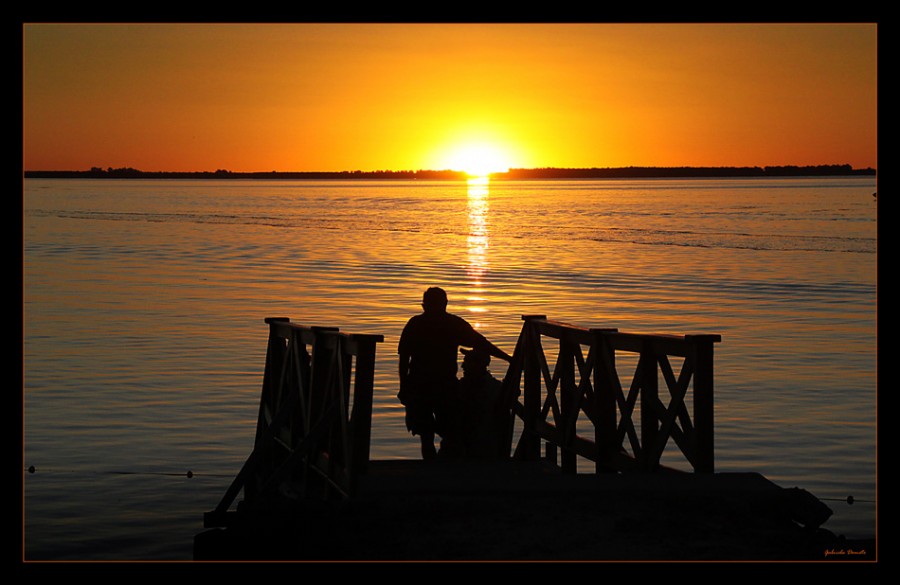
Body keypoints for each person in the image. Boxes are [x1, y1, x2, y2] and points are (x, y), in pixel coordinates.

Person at [397, 287, 511, 459]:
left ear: (423, 305)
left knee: (431, 435)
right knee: (447, 432)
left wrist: (404, 386)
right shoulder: (451, 324)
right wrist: (508, 358)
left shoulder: (416, 324)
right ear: (445, 304)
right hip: (438, 386)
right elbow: (482, 343)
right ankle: (449, 469)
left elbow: (404, 359)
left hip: (424, 386)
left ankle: (437, 469)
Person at [456, 348, 508, 459]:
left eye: (467, 361)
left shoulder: (493, 389)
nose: (463, 365)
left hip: (480, 447)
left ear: (479, 365)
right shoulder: (497, 388)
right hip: (478, 446)